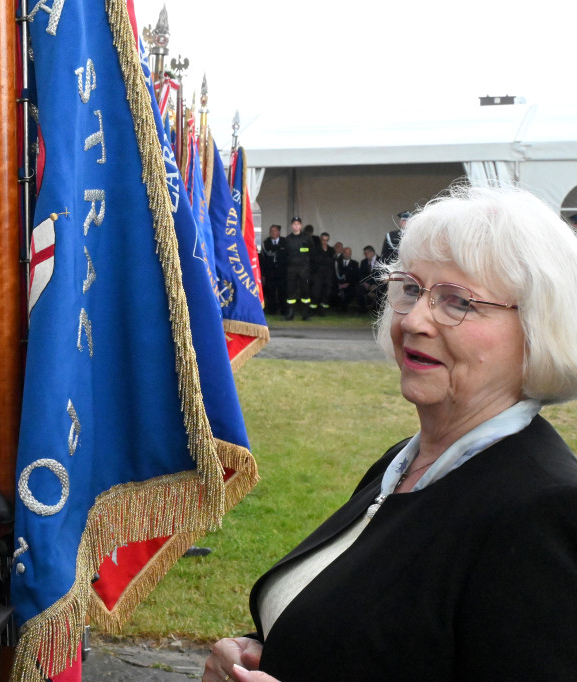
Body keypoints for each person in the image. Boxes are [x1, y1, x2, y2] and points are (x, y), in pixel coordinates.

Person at [203, 184, 577, 682]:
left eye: (456, 301)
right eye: (410, 289)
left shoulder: (543, 510)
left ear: (537, 328)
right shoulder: (404, 462)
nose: (416, 319)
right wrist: (253, 652)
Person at [282, 217, 313, 320]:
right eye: (294, 224)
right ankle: (290, 314)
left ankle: (306, 315)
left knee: (305, 292)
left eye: (298, 224)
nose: (296, 226)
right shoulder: (287, 239)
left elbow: (312, 253)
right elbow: (284, 255)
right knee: (290, 292)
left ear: (301, 225)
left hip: (304, 269)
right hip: (291, 269)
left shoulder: (307, 238)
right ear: (291, 225)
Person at [259, 224, 287, 316]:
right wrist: (263, 273)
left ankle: (283, 310)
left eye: (275, 231)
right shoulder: (265, 243)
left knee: (282, 292)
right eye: (271, 231)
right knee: (270, 292)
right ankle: (272, 310)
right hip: (270, 272)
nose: (273, 233)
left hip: (282, 272)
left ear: (279, 232)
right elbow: (263, 259)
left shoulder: (284, 242)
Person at [308, 231, 335, 316]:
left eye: (326, 240)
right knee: (315, 293)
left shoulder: (331, 250)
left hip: (328, 275)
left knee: (326, 293)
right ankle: (313, 310)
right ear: (320, 240)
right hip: (317, 275)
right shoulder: (315, 249)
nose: (324, 242)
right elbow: (314, 261)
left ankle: (323, 311)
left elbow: (332, 262)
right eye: (323, 240)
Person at [333, 245, 359, 312]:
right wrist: (338, 284)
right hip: (338, 284)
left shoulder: (355, 264)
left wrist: (348, 283)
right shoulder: (337, 263)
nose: (348, 255)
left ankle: (344, 307)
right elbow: (333, 275)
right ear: (343, 253)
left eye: (349, 253)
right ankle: (338, 307)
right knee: (333, 290)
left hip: (349, 285)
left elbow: (356, 277)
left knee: (353, 291)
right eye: (346, 253)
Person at [356, 244, 380, 314]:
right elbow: (361, 275)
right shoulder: (363, 262)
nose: (365, 255)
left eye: (366, 253)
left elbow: (382, 274)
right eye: (364, 253)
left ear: (372, 252)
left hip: (378, 285)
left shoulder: (381, 260)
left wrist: (375, 284)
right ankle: (363, 309)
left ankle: (376, 309)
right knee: (358, 289)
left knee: (382, 290)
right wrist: (365, 283)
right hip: (367, 285)